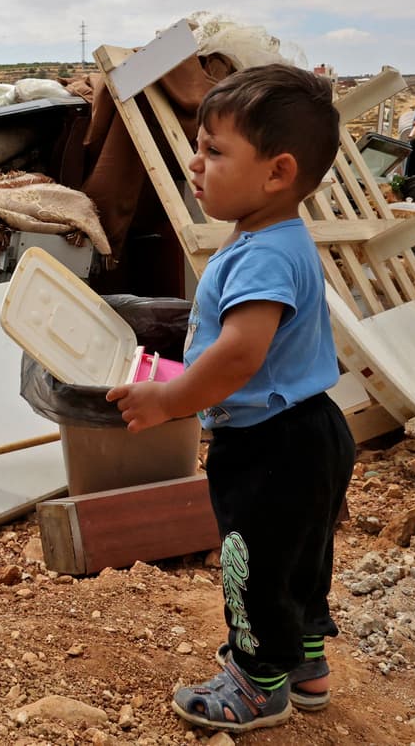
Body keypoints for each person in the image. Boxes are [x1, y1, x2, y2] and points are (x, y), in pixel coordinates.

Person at [105, 64, 355, 734]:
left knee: (254, 563)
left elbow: (242, 351)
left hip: (273, 443)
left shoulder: (263, 256)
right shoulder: (271, 236)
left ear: (277, 172)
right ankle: (305, 665)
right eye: (198, 145)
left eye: (215, 151)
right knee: (299, 556)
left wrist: (172, 400)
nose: (195, 163)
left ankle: (255, 685)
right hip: (311, 430)